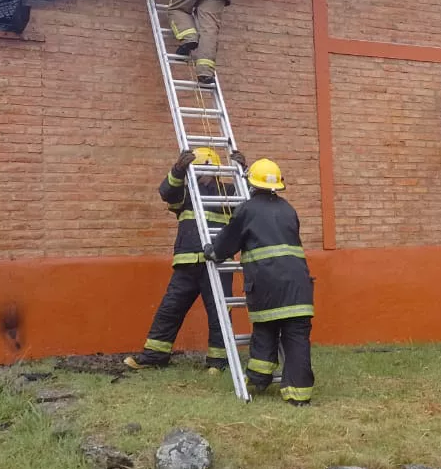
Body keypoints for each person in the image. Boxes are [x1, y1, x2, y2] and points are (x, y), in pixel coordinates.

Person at [204, 158, 315, 406]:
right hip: (299, 286)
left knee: (266, 329)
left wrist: (213, 252)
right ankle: (299, 395)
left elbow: (228, 240)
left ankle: (258, 378)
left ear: (252, 184)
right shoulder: (288, 209)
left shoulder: (247, 210)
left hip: (267, 286)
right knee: (297, 339)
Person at [125, 146, 246, 372]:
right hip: (187, 263)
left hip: (218, 263)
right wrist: (178, 170)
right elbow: (166, 192)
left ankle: (218, 361)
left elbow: (250, 200)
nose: (200, 175)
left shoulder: (229, 191)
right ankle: (154, 355)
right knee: (170, 309)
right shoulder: (186, 192)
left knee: (219, 313)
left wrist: (243, 172)